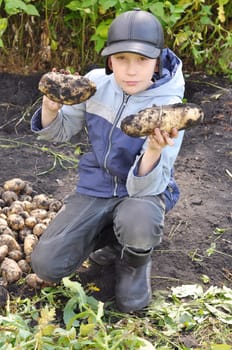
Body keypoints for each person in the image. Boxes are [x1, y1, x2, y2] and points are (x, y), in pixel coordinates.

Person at [30, 9, 185, 313]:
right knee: (46, 264)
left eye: (141, 60)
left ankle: (134, 261)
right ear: (109, 60)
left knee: (137, 219)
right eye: (122, 59)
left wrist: (153, 149)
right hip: (97, 187)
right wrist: (51, 108)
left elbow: (151, 184)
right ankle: (112, 238)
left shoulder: (169, 109)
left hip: (142, 194)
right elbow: (62, 131)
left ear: (156, 61)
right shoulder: (94, 85)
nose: (130, 71)